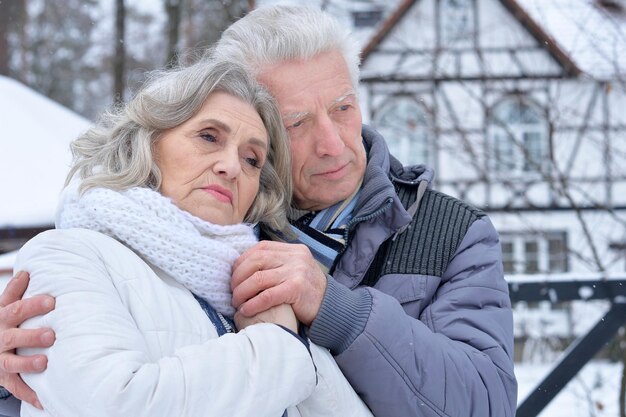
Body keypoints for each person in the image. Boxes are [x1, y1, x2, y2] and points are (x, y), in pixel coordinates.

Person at [0, 4, 517, 417]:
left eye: (343, 108)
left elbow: (487, 405)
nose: (336, 145)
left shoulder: (452, 231)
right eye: (296, 125)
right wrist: (21, 370)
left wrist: (336, 311)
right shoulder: (205, 230)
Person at [5, 57, 373, 417]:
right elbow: (113, 404)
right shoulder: (68, 255)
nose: (230, 167)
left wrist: (296, 341)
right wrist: (277, 345)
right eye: (209, 137)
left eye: (252, 160)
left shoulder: (256, 285)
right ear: (148, 142)